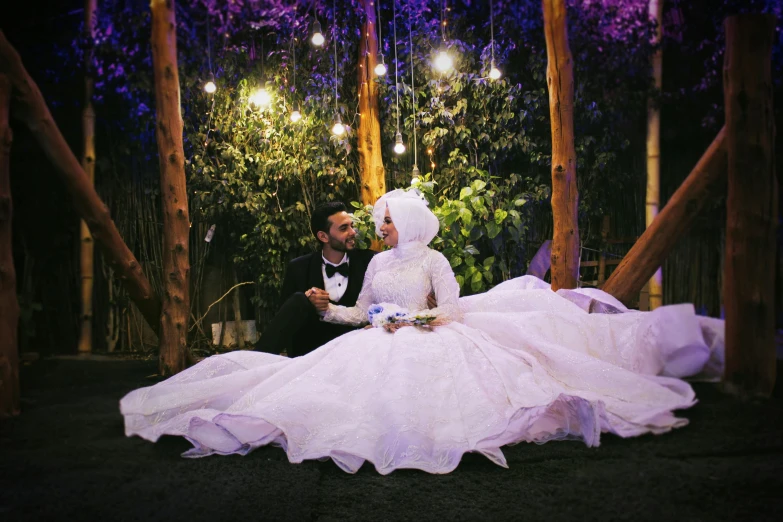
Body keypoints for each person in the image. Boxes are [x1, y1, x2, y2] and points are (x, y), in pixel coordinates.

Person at [121, 189, 724, 475]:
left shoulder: (431, 261)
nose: (376, 230)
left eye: (383, 222)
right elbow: (359, 311)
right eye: (375, 224)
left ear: (403, 223)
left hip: (430, 337)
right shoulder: (378, 267)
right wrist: (329, 313)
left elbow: (454, 307)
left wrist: (417, 318)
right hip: (375, 339)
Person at [254, 202, 376, 357]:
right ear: (323, 236)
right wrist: (307, 300)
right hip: (312, 353)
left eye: (352, 226)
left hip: (354, 351)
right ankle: (256, 362)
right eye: (344, 228)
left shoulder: (370, 261)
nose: (353, 232)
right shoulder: (298, 268)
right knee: (299, 299)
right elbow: (286, 319)